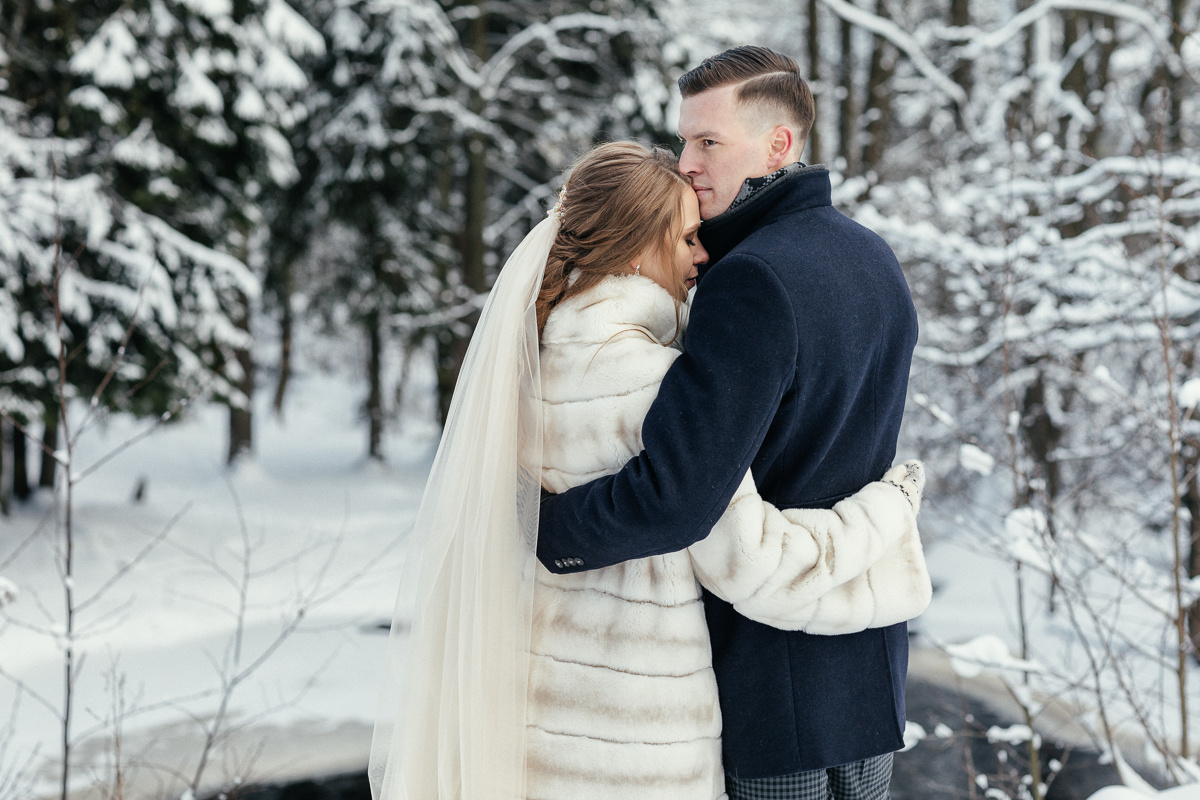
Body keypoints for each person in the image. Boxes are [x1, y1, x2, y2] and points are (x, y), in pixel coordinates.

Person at [369, 139, 929, 800]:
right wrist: (888, 512)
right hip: (635, 743)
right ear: (635, 247)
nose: (703, 255)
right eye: (687, 238)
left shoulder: (524, 366)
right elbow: (758, 566)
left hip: (533, 722)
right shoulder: (654, 381)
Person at [536, 48, 921, 800]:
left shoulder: (747, 278)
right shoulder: (875, 259)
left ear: (779, 144)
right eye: (685, 139)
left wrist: (538, 528)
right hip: (868, 669)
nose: (687, 163)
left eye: (708, 142)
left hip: (769, 682)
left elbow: (678, 498)